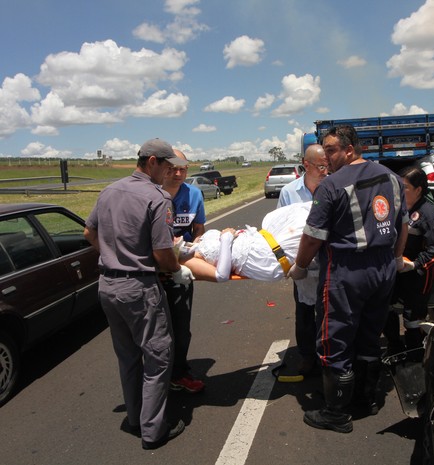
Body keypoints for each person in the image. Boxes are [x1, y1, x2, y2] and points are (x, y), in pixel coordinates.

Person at [288, 125, 409, 433]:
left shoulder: (332, 186)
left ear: (349, 150)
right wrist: (396, 258)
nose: (325, 158)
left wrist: (300, 266)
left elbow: (312, 236)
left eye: (330, 150)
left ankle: (336, 412)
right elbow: (402, 225)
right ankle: (366, 399)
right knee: (370, 334)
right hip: (383, 269)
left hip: (345, 271)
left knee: (334, 338)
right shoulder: (393, 179)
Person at [83, 138, 193, 450]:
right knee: (158, 357)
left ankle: (135, 417)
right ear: (152, 162)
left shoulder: (110, 191)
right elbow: (162, 251)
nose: (170, 172)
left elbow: (89, 232)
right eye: (167, 166)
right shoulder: (156, 198)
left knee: (128, 357)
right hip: (138, 288)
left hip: (108, 286)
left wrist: (114, 255)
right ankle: (153, 430)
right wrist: (174, 270)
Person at [384, 167, 434, 359]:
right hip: (396, 270)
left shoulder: (428, 214)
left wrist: (414, 265)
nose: (400, 192)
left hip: (418, 276)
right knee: (387, 309)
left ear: (418, 190)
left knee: (413, 320)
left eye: (405, 188)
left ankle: (414, 357)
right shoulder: (398, 208)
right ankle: (394, 348)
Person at [277, 143, 328, 376]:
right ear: (306, 165)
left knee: (328, 309)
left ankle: (327, 353)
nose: (325, 170)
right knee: (304, 311)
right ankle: (307, 356)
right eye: (320, 166)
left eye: (328, 165)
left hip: (329, 259)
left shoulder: (334, 186)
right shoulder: (289, 192)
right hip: (302, 259)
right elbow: (280, 226)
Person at [161, 149, 206, 394]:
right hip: (155, 271)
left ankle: (179, 373)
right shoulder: (151, 194)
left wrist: (195, 244)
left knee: (181, 325)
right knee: (157, 328)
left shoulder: (195, 194)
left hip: (182, 270)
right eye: (173, 168)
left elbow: (199, 228)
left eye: (183, 169)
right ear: (162, 167)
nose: (178, 174)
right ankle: (155, 375)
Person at [179, 201, 312, 282]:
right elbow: (221, 276)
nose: (173, 236)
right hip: (265, 257)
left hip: (263, 239)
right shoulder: (187, 261)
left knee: (301, 211)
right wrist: (226, 239)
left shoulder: (192, 245)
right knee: (312, 222)